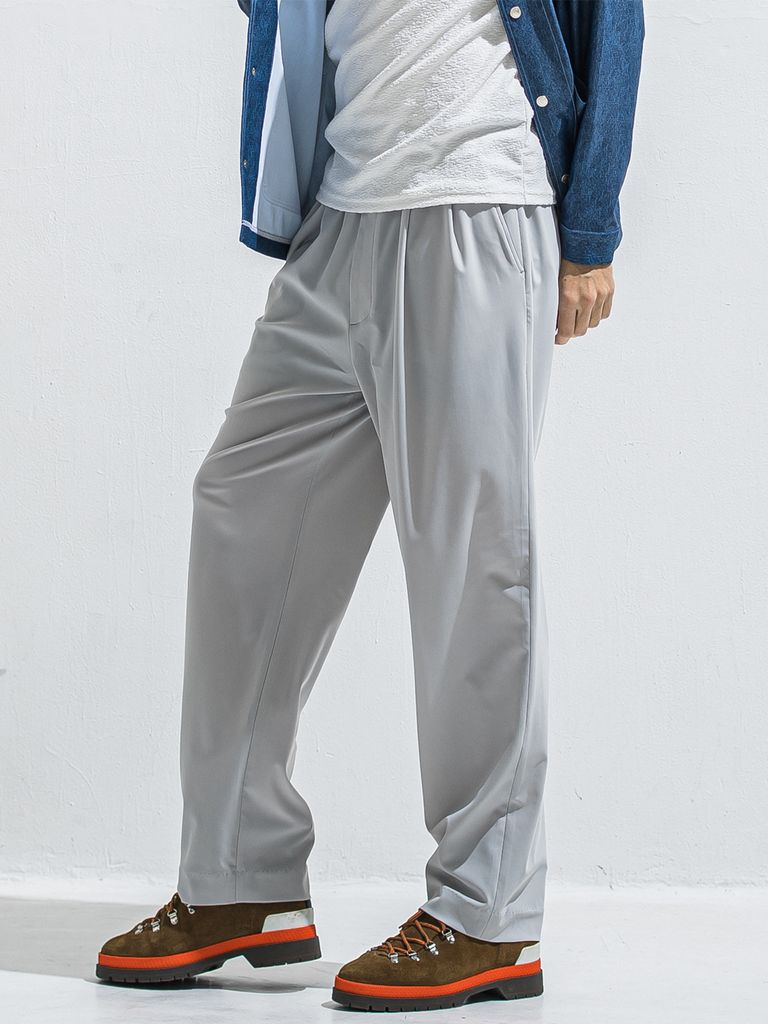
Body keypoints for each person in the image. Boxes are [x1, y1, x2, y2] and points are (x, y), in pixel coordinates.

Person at [95, 0, 644, 1011]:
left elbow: (613, 19)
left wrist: (591, 231)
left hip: (476, 201)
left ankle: (487, 913)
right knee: (241, 510)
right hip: (338, 216)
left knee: (472, 563)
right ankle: (239, 878)